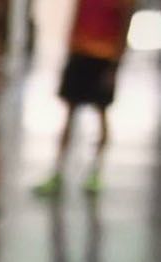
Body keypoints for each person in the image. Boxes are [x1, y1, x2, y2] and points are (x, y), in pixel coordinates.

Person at [39, 0, 124, 198]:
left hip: (104, 56)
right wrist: (70, 49)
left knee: (101, 114)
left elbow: (123, 26)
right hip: (80, 53)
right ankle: (57, 171)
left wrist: (115, 65)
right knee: (69, 115)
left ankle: (96, 171)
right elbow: (77, 16)